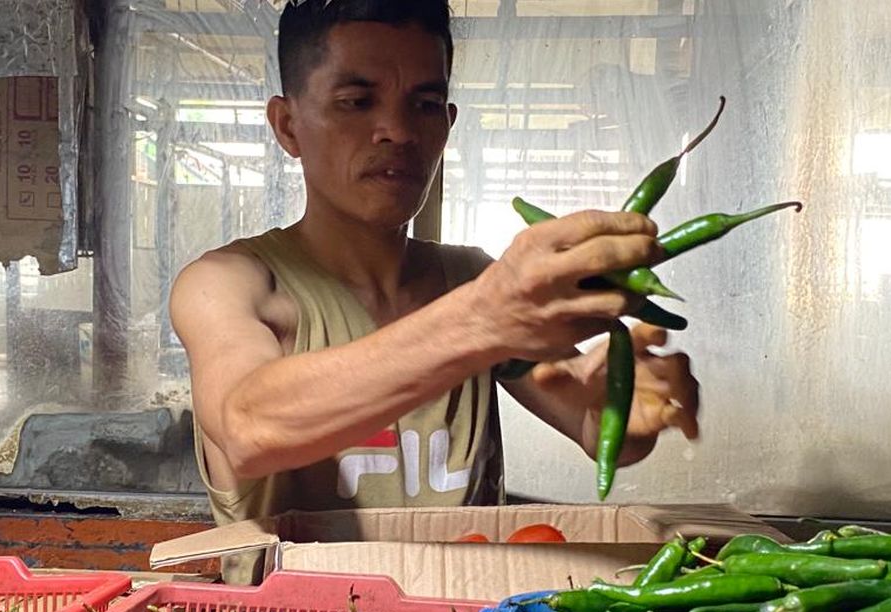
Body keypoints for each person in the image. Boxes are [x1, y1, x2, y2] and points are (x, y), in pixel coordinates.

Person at [170, 0, 700, 525]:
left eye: (423, 105)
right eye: (356, 102)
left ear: (447, 126)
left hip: (471, 611)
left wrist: (625, 412)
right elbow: (249, 428)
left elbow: (590, 420)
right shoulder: (227, 282)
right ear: (287, 126)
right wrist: (481, 319)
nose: (398, 131)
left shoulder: (470, 278)